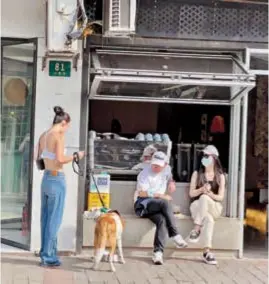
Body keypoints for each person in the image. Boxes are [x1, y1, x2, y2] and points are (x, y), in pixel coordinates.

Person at [37, 106, 84, 267]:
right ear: (63, 122)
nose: (67, 129)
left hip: (46, 179)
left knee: (45, 218)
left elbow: (38, 159)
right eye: (68, 126)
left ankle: (45, 253)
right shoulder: (58, 136)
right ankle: (49, 257)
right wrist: (77, 155)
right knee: (54, 220)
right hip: (57, 179)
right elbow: (60, 159)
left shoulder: (43, 135)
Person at [134, 151, 187, 265]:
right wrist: (161, 195)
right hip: (143, 204)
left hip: (158, 206)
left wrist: (172, 183)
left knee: (162, 220)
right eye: (154, 164)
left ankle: (158, 253)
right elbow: (142, 193)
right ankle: (175, 234)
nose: (155, 167)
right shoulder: (144, 173)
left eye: (158, 166)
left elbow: (169, 177)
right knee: (165, 202)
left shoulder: (167, 170)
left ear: (165, 165)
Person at [187, 145, 225, 265]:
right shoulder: (196, 174)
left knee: (205, 198)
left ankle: (196, 229)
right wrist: (201, 190)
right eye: (203, 156)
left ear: (214, 158)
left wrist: (209, 194)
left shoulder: (220, 176)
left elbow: (220, 197)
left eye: (207, 156)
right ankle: (207, 252)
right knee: (208, 220)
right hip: (197, 207)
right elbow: (191, 194)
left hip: (214, 206)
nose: (204, 158)